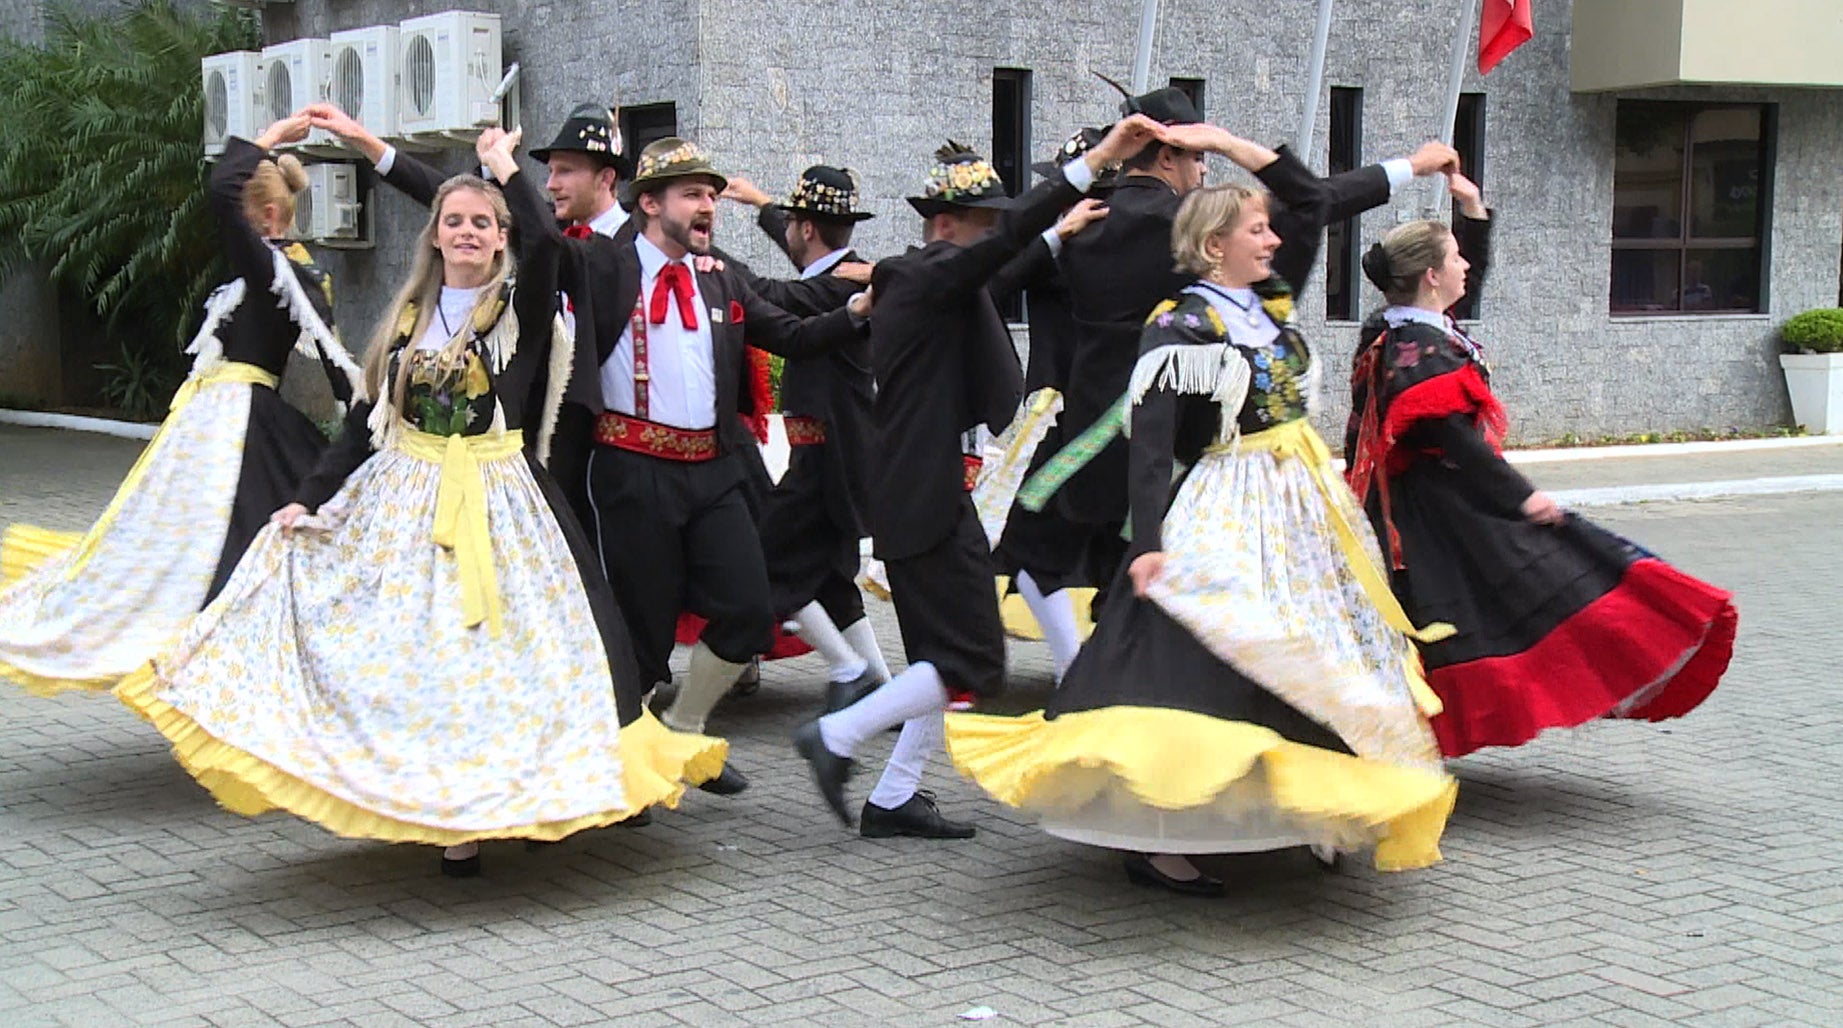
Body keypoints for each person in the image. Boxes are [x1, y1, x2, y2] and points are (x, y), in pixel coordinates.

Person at [115, 129, 724, 877]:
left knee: (506, 662)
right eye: (454, 221)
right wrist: (307, 500)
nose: (467, 232)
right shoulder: (407, 319)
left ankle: (521, 794)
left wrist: (504, 170)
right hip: (405, 502)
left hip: (501, 507)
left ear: (501, 240)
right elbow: (364, 426)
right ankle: (446, 821)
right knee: (423, 661)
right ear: (435, 236)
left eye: (482, 222)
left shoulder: (520, 310)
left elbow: (544, 240)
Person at [947, 123, 1458, 895]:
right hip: (1226, 500)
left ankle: (1316, 804)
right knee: (1204, 657)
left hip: (1298, 507)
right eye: (1255, 229)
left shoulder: (1268, 303)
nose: (1272, 238)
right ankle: (1161, 834)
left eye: (1265, 226)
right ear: (1214, 245)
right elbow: (1152, 446)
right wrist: (1148, 543)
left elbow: (1307, 196)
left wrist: (1224, 139)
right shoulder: (1183, 324)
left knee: (1315, 644)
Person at [792, 116, 1163, 840]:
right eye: (987, 222)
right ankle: (835, 738)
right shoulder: (924, 275)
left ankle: (894, 795)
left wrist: (1055, 235)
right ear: (946, 224)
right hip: (922, 498)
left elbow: (1001, 270)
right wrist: (1095, 164)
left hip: (922, 492)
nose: (1000, 232)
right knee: (974, 665)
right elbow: (1000, 254)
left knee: (949, 660)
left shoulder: (929, 280)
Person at [1345, 175, 1737, 758]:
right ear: (1430, 276)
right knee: (1477, 605)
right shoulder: (1420, 355)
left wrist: (1472, 212)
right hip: (1434, 513)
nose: (1466, 268)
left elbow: (1455, 285)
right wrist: (1522, 499)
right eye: (1455, 259)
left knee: (1458, 612)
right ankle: (1404, 734)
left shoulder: (1398, 328)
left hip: (1430, 502)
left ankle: (1403, 734)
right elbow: (1457, 440)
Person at [1053, 85, 1459, 619]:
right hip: (1185, 454)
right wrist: (1411, 165)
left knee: (1121, 600)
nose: (1202, 172)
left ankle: (1104, 673)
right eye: (1197, 156)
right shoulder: (1187, 227)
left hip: (1092, 439)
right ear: (1170, 154)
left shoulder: (1080, 224)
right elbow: (1317, 199)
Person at [0, 113, 360, 696]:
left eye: (244, 221)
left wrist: (266, 139)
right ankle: (222, 664)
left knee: (224, 544)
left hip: (239, 424)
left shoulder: (278, 267)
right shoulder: (287, 269)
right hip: (219, 419)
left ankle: (223, 664)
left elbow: (221, 189)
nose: (232, 232)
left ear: (266, 216)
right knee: (191, 542)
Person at [563, 138, 871, 794]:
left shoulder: (719, 275)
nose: (709, 206)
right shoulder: (605, 266)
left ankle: (685, 726)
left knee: (748, 609)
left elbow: (788, 332)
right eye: (692, 195)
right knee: (642, 638)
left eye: (710, 194)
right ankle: (624, 772)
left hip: (711, 469)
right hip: (630, 470)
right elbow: (535, 246)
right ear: (649, 203)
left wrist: (857, 310)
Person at [717, 168, 889, 707]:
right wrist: (763, 203)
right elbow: (803, 260)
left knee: (763, 566)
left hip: (824, 459)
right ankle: (883, 692)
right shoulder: (842, 273)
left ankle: (849, 672)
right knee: (833, 581)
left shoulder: (835, 285)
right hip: (845, 455)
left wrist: (697, 250)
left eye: (792, 224)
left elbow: (768, 293)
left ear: (807, 228)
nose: (788, 233)